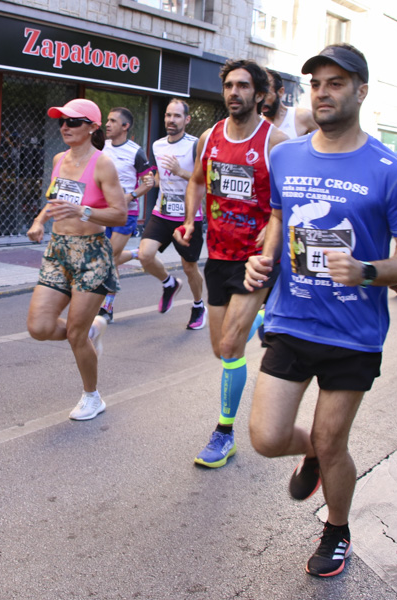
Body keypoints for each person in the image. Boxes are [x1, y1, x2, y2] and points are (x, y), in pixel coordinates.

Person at [246, 44, 397, 578]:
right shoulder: (286, 156)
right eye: (317, 85)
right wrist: (264, 260)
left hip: (354, 331)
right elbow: (280, 222)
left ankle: (337, 529)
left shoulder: (389, 171)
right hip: (291, 319)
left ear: (361, 91)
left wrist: (368, 271)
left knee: (334, 440)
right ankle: (315, 457)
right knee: (266, 438)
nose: (323, 93)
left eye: (336, 83)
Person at [175, 58, 289, 468]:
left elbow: (289, 198)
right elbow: (196, 181)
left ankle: (224, 433)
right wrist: (190, 221)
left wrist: (274, 225)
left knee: (229, 345)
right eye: (228, 86)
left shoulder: (274, 142)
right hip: (218, 255)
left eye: (243, 86)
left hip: (254, 260)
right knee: (221, 351)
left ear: (260, 94)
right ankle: (263, 320)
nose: (233, 93)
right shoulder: (210, 136)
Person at [26, 98, 126, 421]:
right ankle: (92, 331)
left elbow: (120, 213)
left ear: (92, 127)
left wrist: (85, 211)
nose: (65, 127)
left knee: (74, 334)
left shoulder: (102, 164)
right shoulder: (58, 159)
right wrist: (40, 221)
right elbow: (56, 199)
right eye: (62, 121)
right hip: (58, 250)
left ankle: (92, 396)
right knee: (39, 326)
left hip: (91, 255)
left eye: (74, 121)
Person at [139, 98, 206, 327]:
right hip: (162, 211)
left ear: (187, 119)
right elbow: (161, 178)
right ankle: (169, 283)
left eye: (177, 116)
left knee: (189, 267)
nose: (171, 120)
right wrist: (151, 181)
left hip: (189, 216)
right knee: (144, 255)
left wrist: (180, 171)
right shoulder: (158, 145)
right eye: (168, 115)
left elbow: (203, 180)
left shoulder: (196, 144)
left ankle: (198, 306)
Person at [97, 107, 153, 323]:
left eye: (112, 121)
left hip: (125, 214)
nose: (107, 124)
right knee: (108, 258)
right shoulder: (102, 147)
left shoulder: (136, 152)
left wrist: (130, 196)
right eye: (107, 120)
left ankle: (107, 308)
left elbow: (150, 181)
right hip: (104, 212)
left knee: (108, 259)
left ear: (125, 126)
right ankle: (136, 253)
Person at [261, 70, 319, 138]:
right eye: (259, 95)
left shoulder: (303, 116)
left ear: (280, 92)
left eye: (266, 95)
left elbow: (326, 142)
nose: (261, 101)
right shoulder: (255, 123)